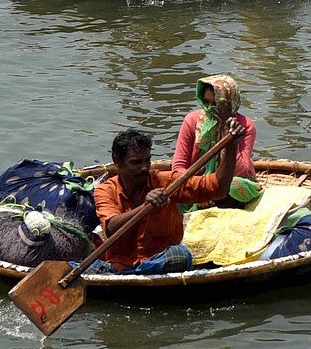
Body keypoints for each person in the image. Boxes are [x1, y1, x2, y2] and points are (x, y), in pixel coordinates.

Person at [92, 122, 244, 273]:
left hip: (161, 261)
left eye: (147, 161)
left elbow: (218, 188)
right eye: (136, 162)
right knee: (71, 266)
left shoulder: (166, 182)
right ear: (117, 161)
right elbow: (112, 227)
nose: (144, 167)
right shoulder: (105, 190)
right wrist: (146, 207)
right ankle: (131, 274)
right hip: (120, 266)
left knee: (180, 255)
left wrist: (231, 148)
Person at [172, 75, 260, 207]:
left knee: (233, 188)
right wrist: (201, 188)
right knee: (172, 196)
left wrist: (228, 136)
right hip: (197, 182)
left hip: (230, 182)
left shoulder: (246, 125)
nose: (210, 108)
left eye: (216, 104)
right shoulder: (191, 121)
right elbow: (178, 166)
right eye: (206, 103)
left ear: (230, 103)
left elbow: (241, 170)